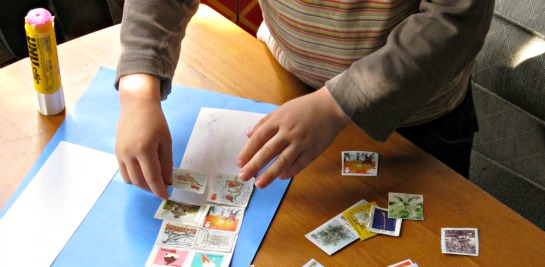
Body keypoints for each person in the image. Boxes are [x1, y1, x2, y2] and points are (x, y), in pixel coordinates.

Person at [115, 0, 494, 199]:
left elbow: (455, 22)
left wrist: (336, 104)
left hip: (414, 120)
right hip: (285, 81)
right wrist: (138, 90)